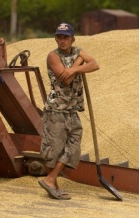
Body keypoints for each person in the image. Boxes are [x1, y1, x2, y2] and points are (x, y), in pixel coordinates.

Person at [38, 23, 100, 200]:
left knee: (73, 148)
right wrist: (80, 62)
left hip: (72, 109)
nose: (62, 40)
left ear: (72, 39)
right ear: (56, 38)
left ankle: (50, 180)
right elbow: (66, 79)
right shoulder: (53, 56)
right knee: (54, 149)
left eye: (66, 37)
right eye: (59, 37)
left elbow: (95, 64)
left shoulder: (77, 51)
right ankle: (53, 186)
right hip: (55, 109)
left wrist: (74, 67)